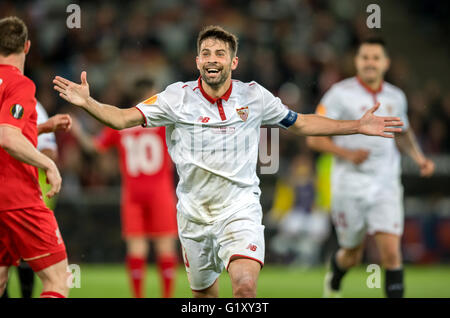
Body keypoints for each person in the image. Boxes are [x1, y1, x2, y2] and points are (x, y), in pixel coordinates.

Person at [53, 25, 403, 298]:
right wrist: (89, 104)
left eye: (220, 53)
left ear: (233, 62)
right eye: (205, 53)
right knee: (203, 296)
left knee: (245, 288)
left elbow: (302, 122)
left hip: (240, 209)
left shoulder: (255, 96)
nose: (212, 59)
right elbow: (122, 119)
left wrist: (356, 125)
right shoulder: (176, 98)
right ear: (197, 62)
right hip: (193, 214)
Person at [306, 37, 435, 298]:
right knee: (352, 254)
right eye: (365, 57)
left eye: (376, 58)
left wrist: (419, 158)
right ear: (356, 62)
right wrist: (346, 152)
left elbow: (403, 133)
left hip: (385, 183)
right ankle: (335, 276)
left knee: (391, 253)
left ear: (385, 63)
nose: (370, 63)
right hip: (349, 184)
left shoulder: (396, 97)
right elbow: (313, 138)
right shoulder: (339, 94)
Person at [71, 78, 178, 298]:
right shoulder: (163, 123)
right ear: (149, 95)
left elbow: (94, 147)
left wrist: (77, 130)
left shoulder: (121, 125)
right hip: (161, 192)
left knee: (136, 250)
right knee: (165, 249)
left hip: (133, 194)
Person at [0, 16, 72, 298]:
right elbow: (7, 137)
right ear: (27, 46)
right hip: (17, 195)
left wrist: (40, 127)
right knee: (57, 280)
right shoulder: (21, 85)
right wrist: (48, 163)